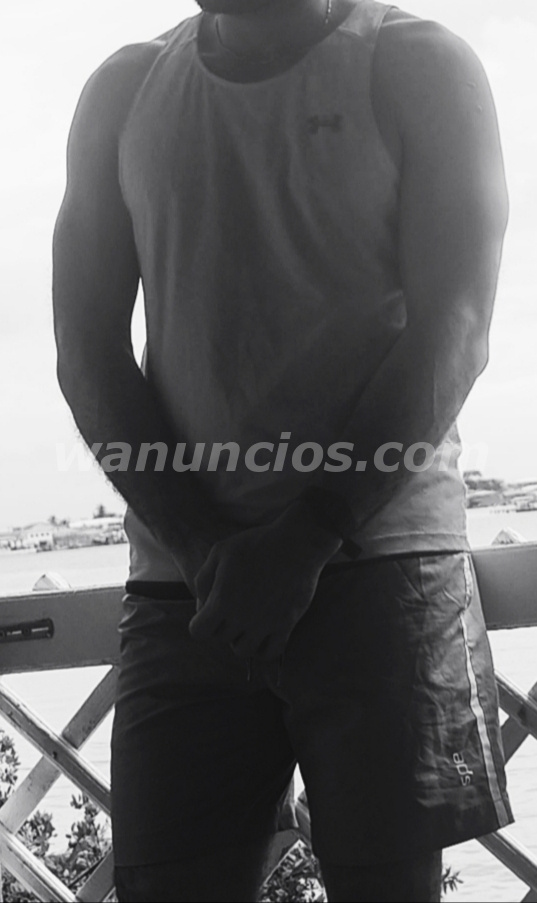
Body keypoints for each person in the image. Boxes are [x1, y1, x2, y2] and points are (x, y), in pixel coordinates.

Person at [52, 1, 513, 900]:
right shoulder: (124, 89)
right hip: (191, 588)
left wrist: (307, 535)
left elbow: (455, 328)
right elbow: (86, 350)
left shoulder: (416, 63)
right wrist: (204, 550)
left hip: (378, 564)